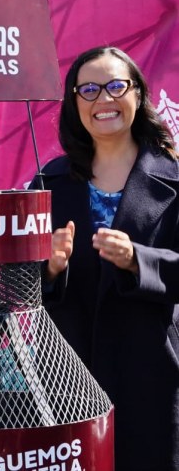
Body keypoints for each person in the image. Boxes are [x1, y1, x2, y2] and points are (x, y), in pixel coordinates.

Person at [34, 46, 179, 471]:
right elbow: (15, 285)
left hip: (152, 372)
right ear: (74, 102)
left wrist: (139, 261)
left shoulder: (174, 178)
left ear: (138, 93)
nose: (104, 99)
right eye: (89, 90)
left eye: (116, 86)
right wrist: (49, 269)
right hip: (69, 378)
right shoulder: (47, 183)